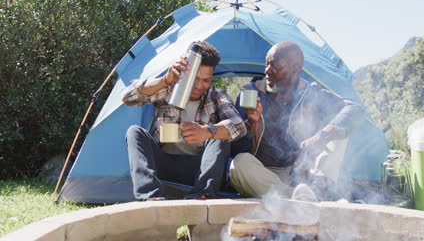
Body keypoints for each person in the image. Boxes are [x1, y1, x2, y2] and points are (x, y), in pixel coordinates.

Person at [229, 41, 365, 201]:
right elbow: (234, 149)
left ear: (295, 69)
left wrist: (321, 137)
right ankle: (300, 200)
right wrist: (251, 124)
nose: (267, 70)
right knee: (238, 164)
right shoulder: (251, 93)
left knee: (338, 135)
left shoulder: (312, 93)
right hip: (262, 175)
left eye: (274, 66)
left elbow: (355, 110)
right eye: (266, 64)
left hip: (301, 174)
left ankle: (316, 189)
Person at [122, 41, 246, 201]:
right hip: (165, 163)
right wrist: (166, 80)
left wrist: (206, 131)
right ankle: (151, 197)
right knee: (134, 132)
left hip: (200, 168)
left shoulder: (216, 95)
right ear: (186, 72)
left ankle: (201, 195)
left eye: (206, 80)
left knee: (221, 137)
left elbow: (239, 125)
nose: (200, 85)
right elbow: (129, 98)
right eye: (195, 78)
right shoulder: (169, 88)